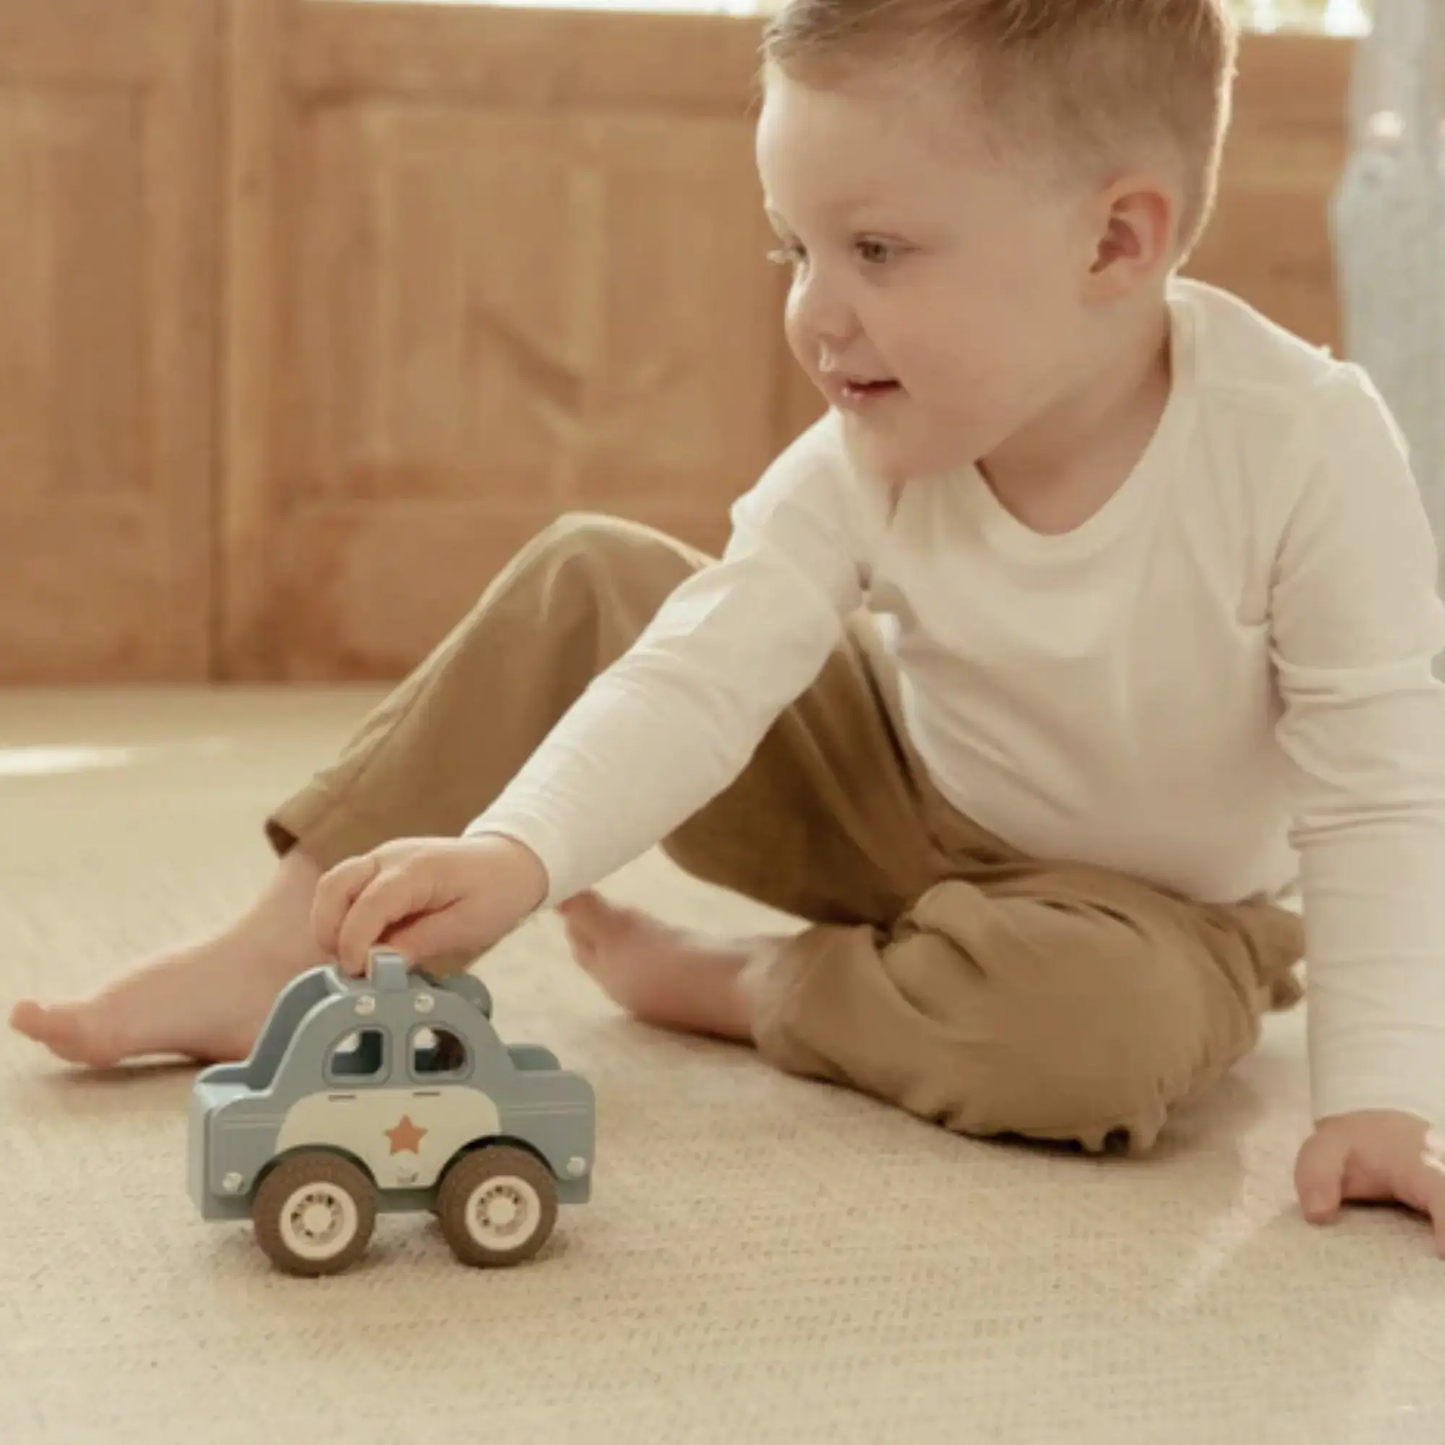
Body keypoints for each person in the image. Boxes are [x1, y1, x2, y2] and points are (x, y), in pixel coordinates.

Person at [12, 0, 1445, 1249]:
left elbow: (1379, 795)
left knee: (1099, 1041)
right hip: (899, 787)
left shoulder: (1303, 446)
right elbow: (708, 662)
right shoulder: (871, 444)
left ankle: (756, 988)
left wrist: (1382, 1098)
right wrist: (520, 852)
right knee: (596, 575)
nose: (819, 315)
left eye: (877, 249)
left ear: (1114, 241)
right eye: (796, 252)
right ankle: (292, 943)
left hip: (1161, 916)